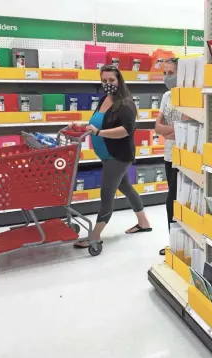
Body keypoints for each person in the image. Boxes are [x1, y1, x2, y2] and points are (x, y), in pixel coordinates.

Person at [74, 65, 152, 248]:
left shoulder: (125, 104)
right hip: (107, 155)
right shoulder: (104, 99)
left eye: (111, 80)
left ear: (119, 81)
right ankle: (144, 223)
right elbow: (97, 123)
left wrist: (99, 133)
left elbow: (126, 130)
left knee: (106, 195)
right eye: (104, 81)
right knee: (126, 187)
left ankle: (95, 236)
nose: (108, 84)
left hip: (117, 157)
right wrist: (81, 126)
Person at [155, 58, 182, 256]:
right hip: (169, 154)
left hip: (185, 154)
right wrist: (174, 130)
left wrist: (172, 130)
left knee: (176, 198)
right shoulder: (166, 96)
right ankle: (173, 242)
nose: (166, 77)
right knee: (171, 197)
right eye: (165, 73)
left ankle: (180, 244)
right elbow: (158, 127)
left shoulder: (190, 95)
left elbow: (187, 129)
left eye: (170, 73)